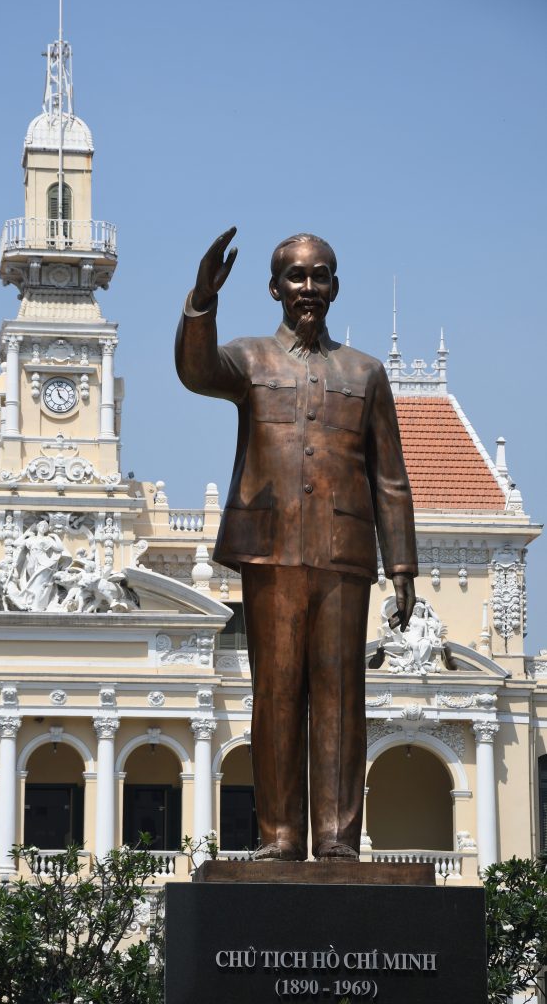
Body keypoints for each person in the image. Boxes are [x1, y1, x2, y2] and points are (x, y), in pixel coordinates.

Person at [175, 228, 417, 861]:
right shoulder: (250, 360)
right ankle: (280, 838)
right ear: (274, 287)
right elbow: (195, 371)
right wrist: (201, 299)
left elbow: (390, 477)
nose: (309, 288)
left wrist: (403, 566)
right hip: (270, 550)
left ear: (335, 286)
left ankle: (338, 841)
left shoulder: (365, 373)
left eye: (321, 276)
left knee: (340, 696)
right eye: (297, 277)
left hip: (343, 553)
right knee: (276, 693)